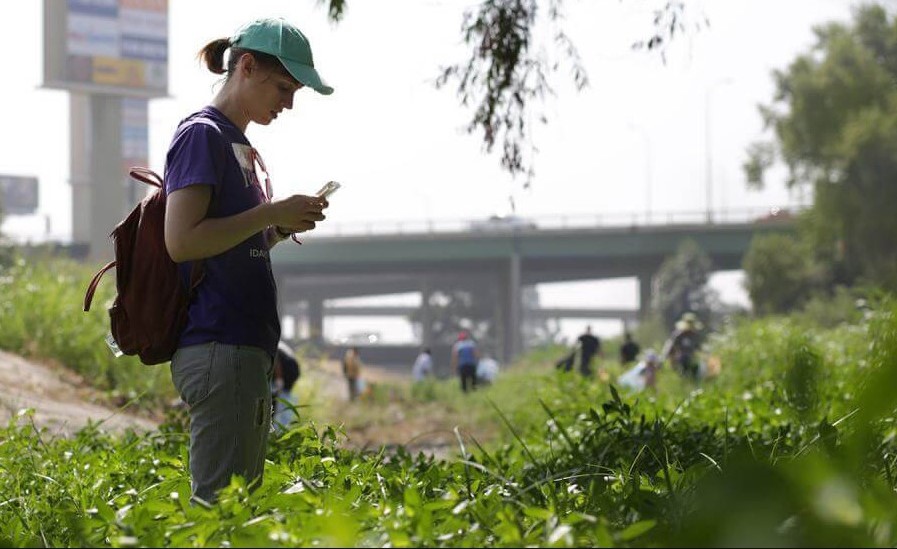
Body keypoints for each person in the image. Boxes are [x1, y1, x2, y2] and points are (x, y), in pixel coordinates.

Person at [163, 17, 333, 504]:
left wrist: (275, 229)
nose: (289, 103)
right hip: (221, 344)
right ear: (247, 66)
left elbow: (228, 243)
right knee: (221, 513)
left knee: (239, 512)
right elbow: (182, 241)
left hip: (241, 348)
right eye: (283, 87)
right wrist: (270, 211)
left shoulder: (237, 144)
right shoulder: (202, 135)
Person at [662, 312, 704, 380]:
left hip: (692, 359)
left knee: (695, 372)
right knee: (683, 373)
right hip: (680, 360)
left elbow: (698, 347)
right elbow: (671, 347)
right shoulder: (678, 335)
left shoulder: (694, 336)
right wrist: (669, 358)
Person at [271, 341, 301, 432]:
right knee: (282, 403)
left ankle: (278, 431)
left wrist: (279, 378)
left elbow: (276, 359)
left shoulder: (273, 344)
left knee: (281, 403)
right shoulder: (279, 343)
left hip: (287, 371)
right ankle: (281, 429)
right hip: (291, 370)